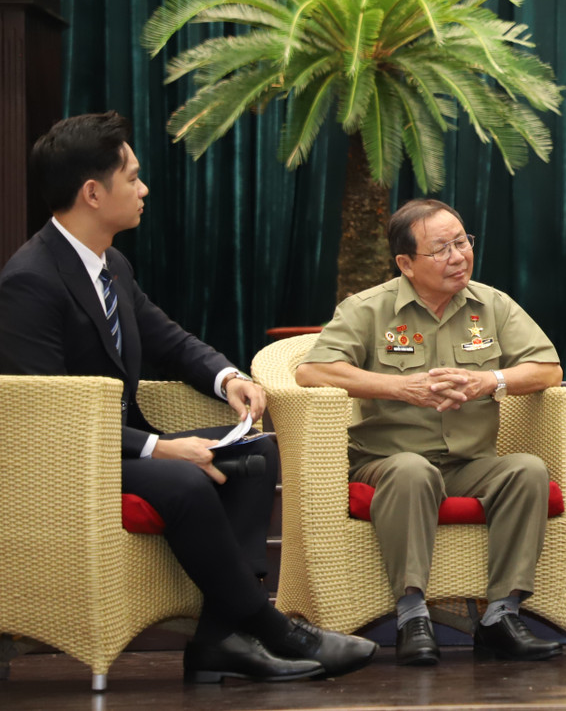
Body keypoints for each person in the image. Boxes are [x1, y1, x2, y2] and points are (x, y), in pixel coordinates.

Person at [0, 113, 377, 683]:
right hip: (72, 465)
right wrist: (158, 449)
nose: (144, 188)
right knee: (182, 477)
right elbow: (48, 419)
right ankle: (271, 627)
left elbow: (170, 341)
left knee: (254, 456)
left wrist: (230, 380)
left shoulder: (112, 266)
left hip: (121, 451)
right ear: (93, 192)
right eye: (133, 177)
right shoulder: (30, 279)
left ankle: (217, 639)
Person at [295, 199, 565, 665]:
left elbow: (547, 369)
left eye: (463, 242)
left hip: (468, 464)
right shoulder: (369, 309)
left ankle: (501, 616)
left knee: (528, 471)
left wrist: (490, 380)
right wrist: (400, 388)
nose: (458, 256)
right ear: (405, 263)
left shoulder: (491, 305)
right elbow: (313, 371)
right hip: (387, 461)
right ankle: (411, 615)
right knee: (412, 471)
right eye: (442, 249)